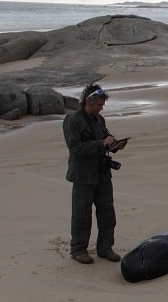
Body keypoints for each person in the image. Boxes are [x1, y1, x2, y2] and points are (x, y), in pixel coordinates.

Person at [63, 84, 121, 264]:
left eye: (102, 105)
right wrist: (101, 144)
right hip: (83, 176)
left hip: (102, 173)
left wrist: (114, 145)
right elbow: (75, 148)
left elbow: (104, 140)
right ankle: (78, 249)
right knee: (82, 214)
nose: (101, 108)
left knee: (107, 212)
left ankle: (105, 247)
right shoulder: (72, 121)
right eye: (99, 105)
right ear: (88, 102)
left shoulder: (99, 120)